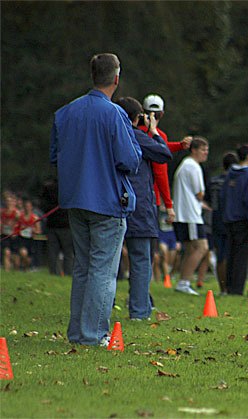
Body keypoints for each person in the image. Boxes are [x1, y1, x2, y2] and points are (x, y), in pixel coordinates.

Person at [50, 53, 142, 346]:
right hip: (107, 200)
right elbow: (130, 160)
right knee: (103, 269)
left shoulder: (64, 113)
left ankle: (77, 332)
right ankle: (93, 334)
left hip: (75, 199)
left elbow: (55, 156)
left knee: (83, 266)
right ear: (116, 78)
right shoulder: (114, 114)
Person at [116, 97, 172, 320]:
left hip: (113, 203)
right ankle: (139, 310)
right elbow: (164, 153)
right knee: (141, 259)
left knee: (107, 259)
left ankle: (103, 305)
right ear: (138, 117)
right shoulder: (136, 136)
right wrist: (154, 131)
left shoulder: (110, 137)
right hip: (138, 206)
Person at [140, 94, 191, 225]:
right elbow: (160, 172)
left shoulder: (133, 132)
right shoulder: (158, 135)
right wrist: (168, 205)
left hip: (129, 194)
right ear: (161, 114)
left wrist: (178, 146)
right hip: (150, 197)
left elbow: (152, 147)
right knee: (148, 243)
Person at [172, 136, 210, 296]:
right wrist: (202, 201)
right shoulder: (193, 166)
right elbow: (199, 192)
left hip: (183, 213)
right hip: (190, 215)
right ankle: (184, 282)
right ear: (193, 150)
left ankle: (183, 281)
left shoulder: (185, 165)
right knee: (202, 247)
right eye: (202, 149)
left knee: (190, 249)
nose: (205, 153)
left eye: (207, 150)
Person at [221, 144, 248, 295]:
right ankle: (237, 288)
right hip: (243, 218)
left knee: (231, 254)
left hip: (228, 218)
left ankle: (228, 286)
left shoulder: (230, 174)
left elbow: (223, 195)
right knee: (242, 256)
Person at [208, 152, 238, 295]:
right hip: (232, 219)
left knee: (220, 255)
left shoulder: (214, 181)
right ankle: (233, 286)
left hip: (216, 219)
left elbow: (208, 200)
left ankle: (222, 288)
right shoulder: (236, 181)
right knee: (233, 255)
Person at [40, 178, 74, 276]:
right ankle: (68, 273)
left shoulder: (48, 188)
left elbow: (43, 205)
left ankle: (53, 272)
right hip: (66, 225)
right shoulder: (70, 188)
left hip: (51, 224)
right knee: (68, 252)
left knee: (52, 252)